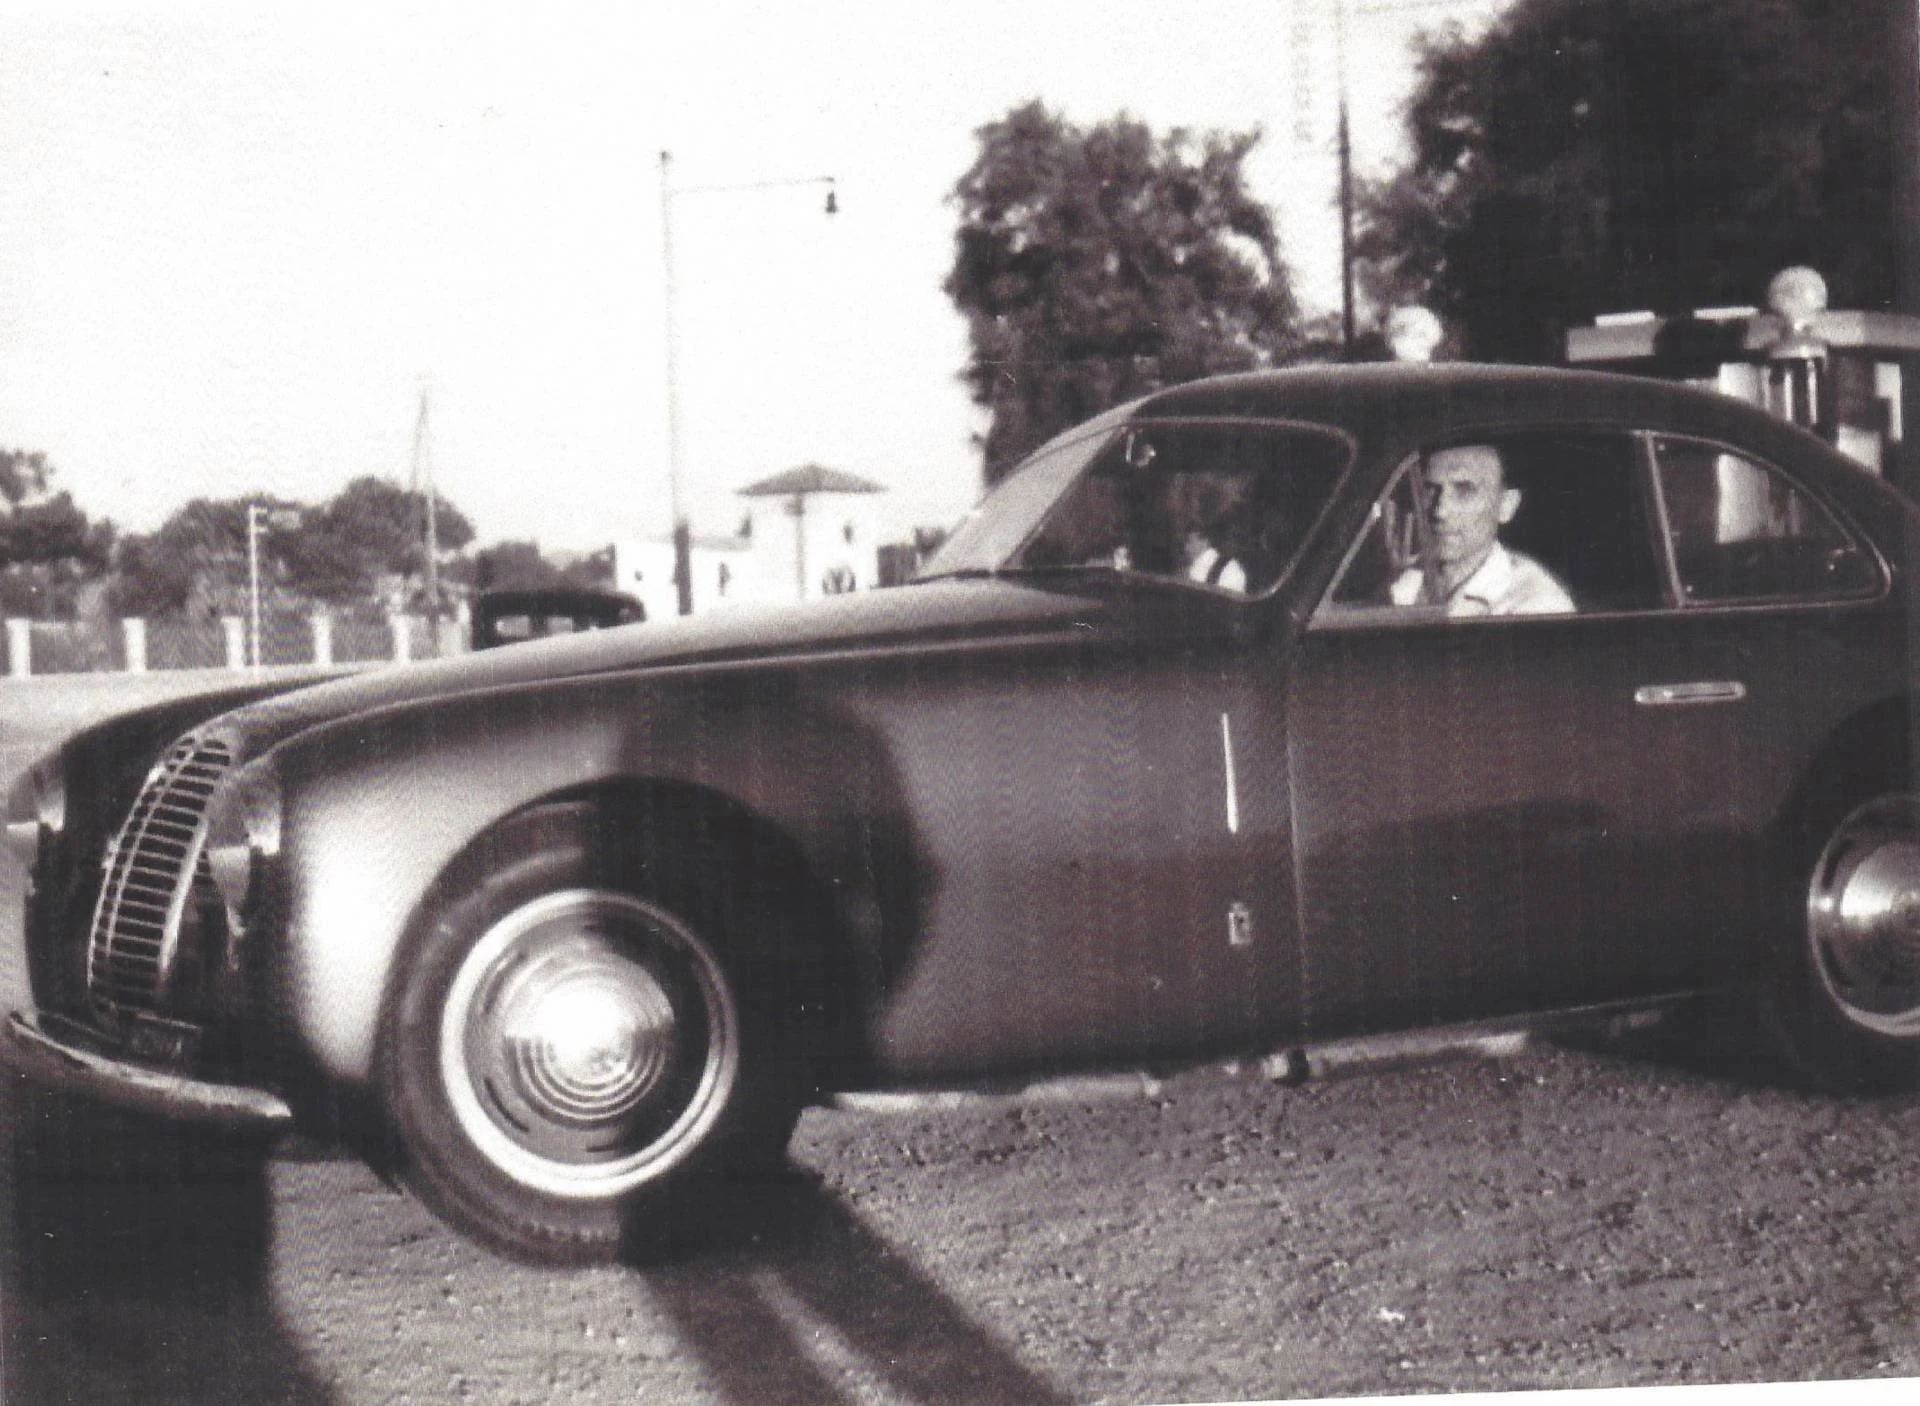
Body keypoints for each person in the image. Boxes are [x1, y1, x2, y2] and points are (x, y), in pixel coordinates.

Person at [1390, 444, 1574, 616]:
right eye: (1429, 489)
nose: (1440, 511)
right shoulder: (1397, 582)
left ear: (1506, 506)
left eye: (1464, 491)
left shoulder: (1537, 606)